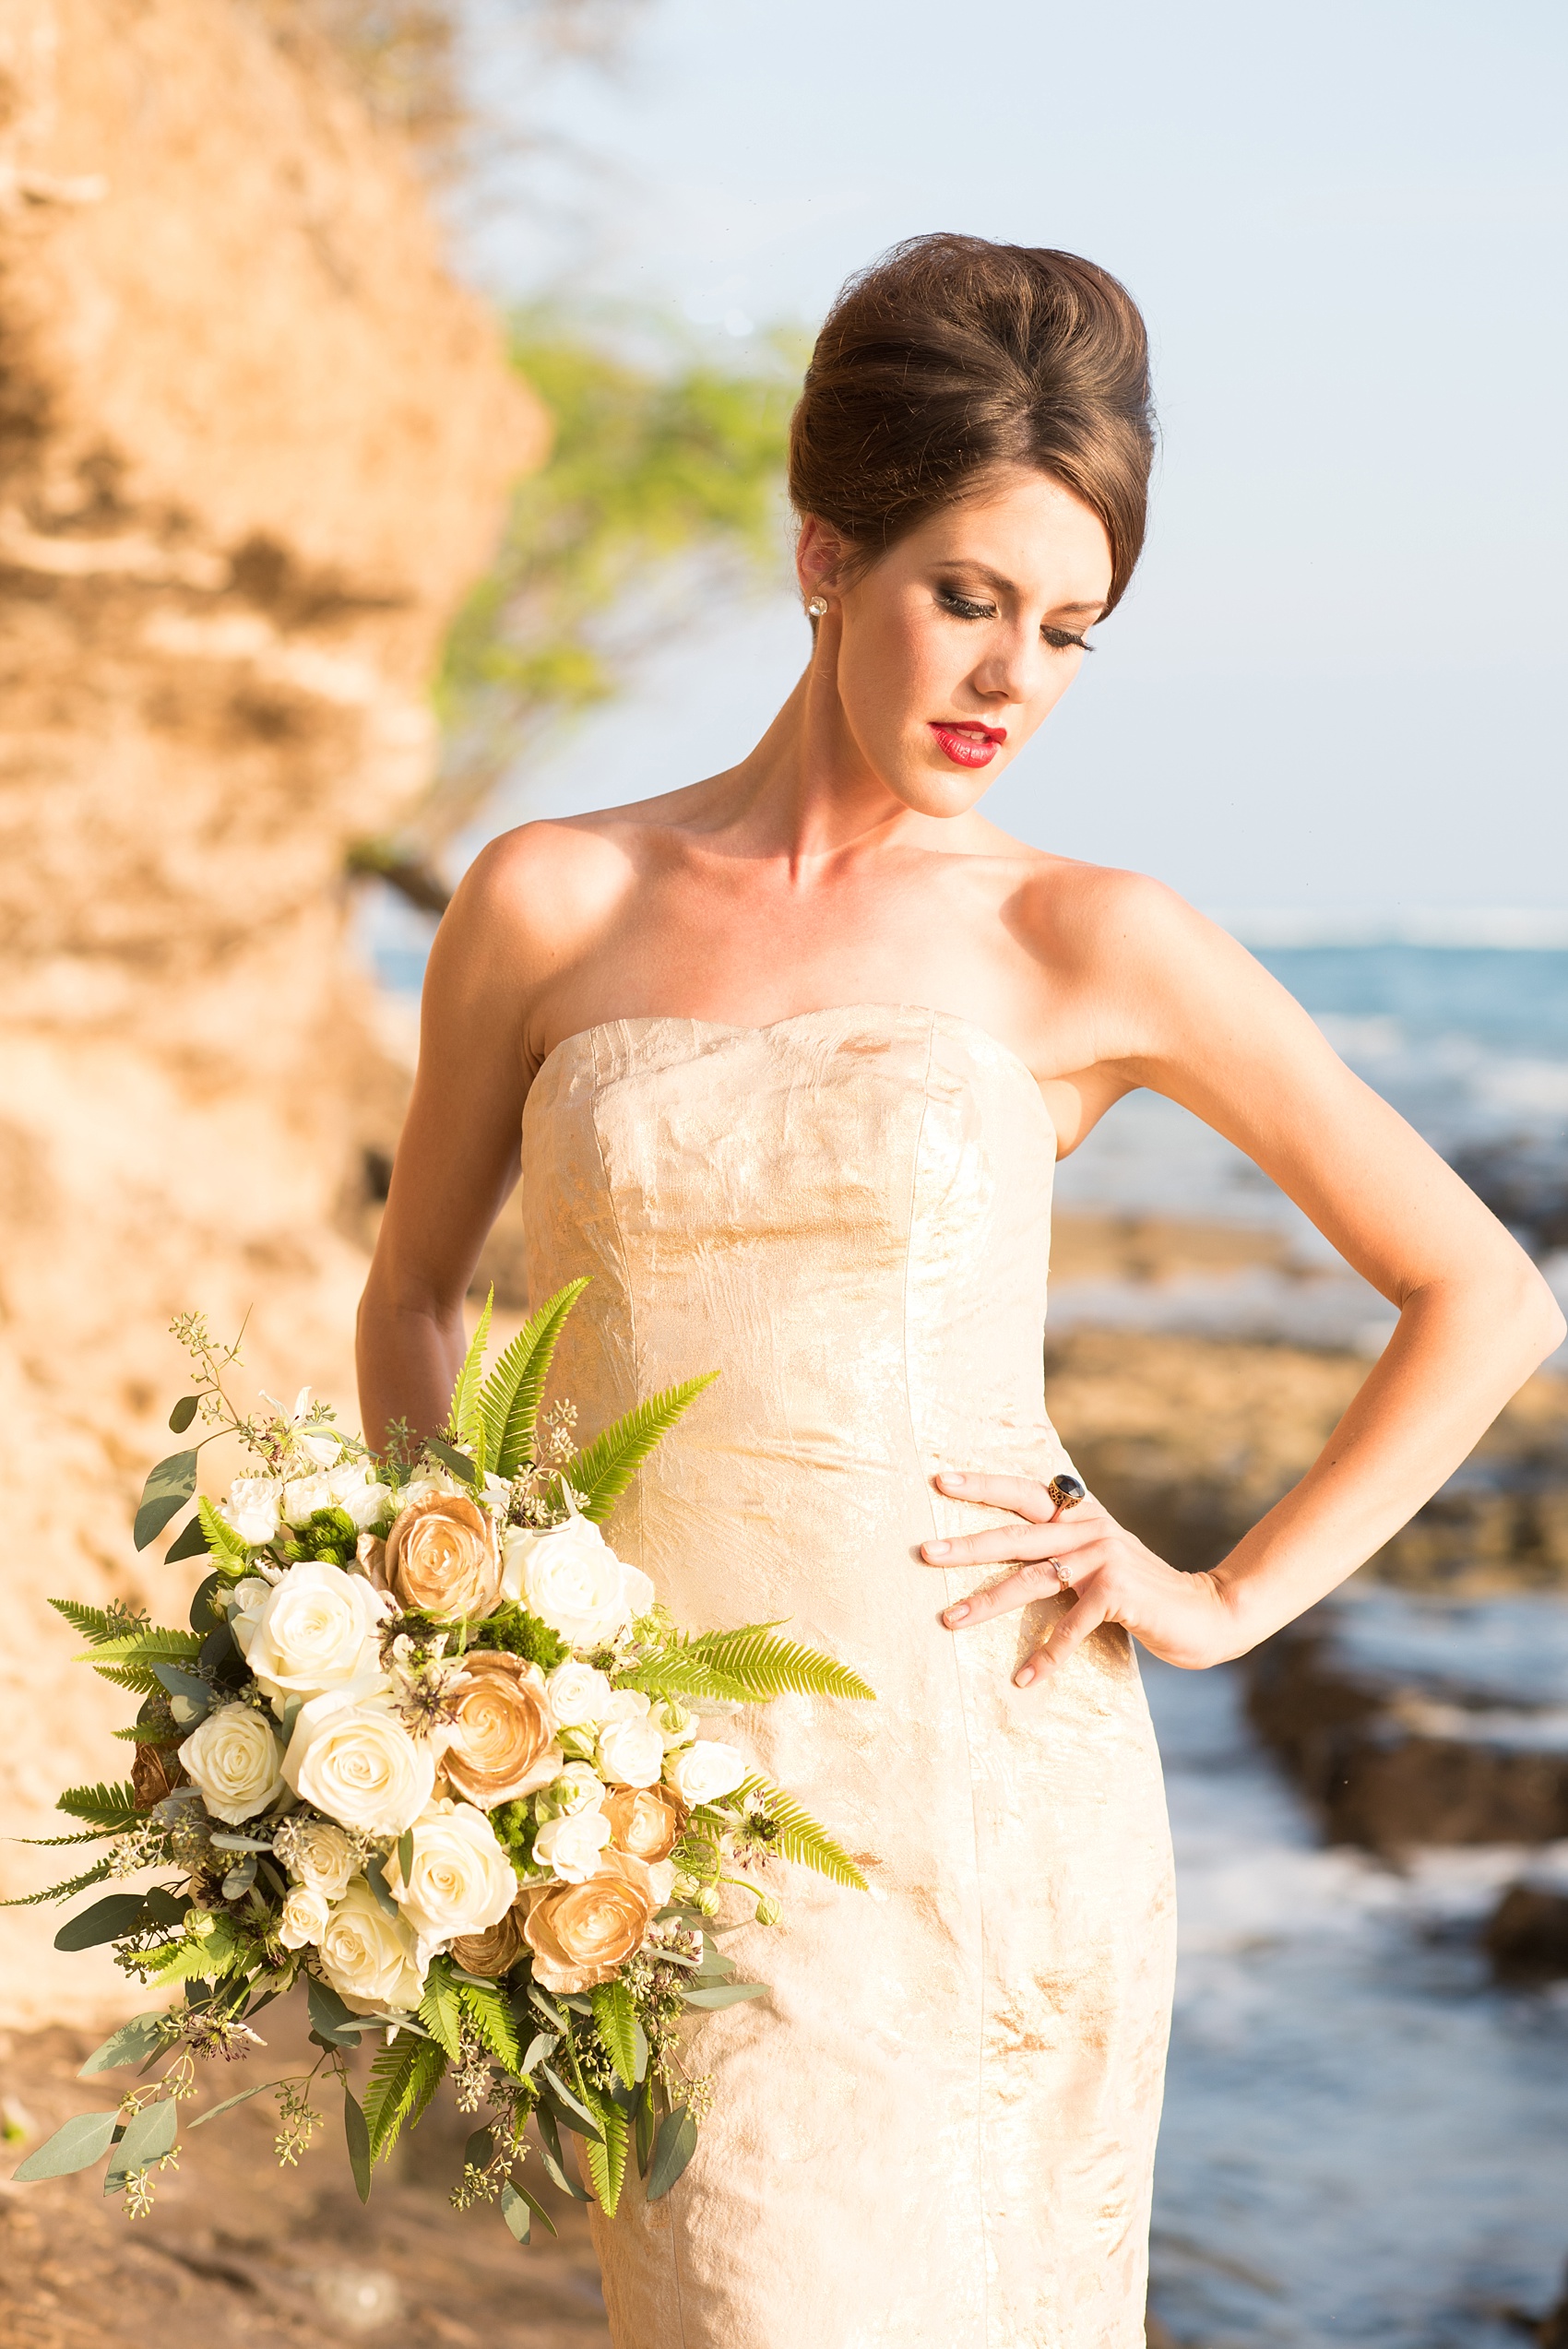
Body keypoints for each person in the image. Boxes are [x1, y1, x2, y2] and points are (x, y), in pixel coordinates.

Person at [357, 233, 1563, 2347]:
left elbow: (1480, 1290)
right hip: (653, 1802)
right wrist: (461, 1669)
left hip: (987, 1789)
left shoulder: (1086, 937)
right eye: (968, 598)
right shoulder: (550, 897)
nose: (1011, 679)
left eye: (1072, 630)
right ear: (827, 555)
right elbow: (410, 1306)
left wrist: (1217, 1595)